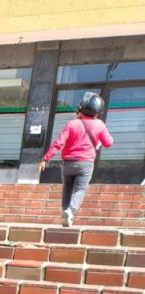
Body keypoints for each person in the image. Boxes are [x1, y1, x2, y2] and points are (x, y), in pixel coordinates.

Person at [39, 92, 114, 227]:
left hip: (68, 163)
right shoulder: (100, 125)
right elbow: (108, 143)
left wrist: (45, 159)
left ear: (81, 110)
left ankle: (65, 212)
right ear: (97, 112)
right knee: (80, 189)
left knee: (67, 188)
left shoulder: (72, 124)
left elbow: (58, 143)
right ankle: (70, 210)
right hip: (86, 164)